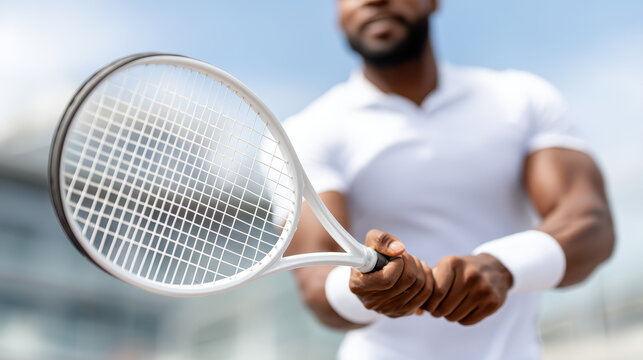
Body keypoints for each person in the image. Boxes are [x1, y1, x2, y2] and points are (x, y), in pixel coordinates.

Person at [282, 0, 615, 359]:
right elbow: (316, 280)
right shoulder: (306, 133)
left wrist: (503, 266)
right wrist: (369, 287)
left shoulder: (522, 98)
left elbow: (590, 222)